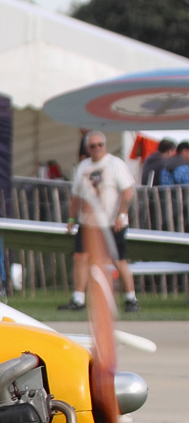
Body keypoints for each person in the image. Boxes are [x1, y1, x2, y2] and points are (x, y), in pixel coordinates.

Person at [63, 131, 138, 314]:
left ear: (105, 145)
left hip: (112, 222)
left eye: (100, 145)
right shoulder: (83, 167)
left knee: (118, 259)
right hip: (88, 223)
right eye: (93, 146)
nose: (97, 149)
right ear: (88, 148)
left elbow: (128, 191)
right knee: (80, 257)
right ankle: (78, 298)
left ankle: (131, 298)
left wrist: (121, 215)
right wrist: (72, 218)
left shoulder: (115, 164)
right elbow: (76, 196)